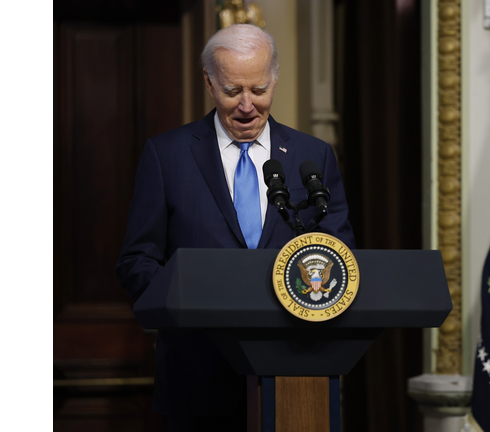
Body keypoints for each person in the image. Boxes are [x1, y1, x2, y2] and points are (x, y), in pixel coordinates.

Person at [116, 24, 355, 430]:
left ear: (274, 79)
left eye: (259, 89)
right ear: (209, 83)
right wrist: (185, 300)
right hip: (196, 380)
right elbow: (137, 261)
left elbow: (338, 253)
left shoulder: (312, 157)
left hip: (295, 375)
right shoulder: (167, 155)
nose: (247, 105)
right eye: (233, 91)